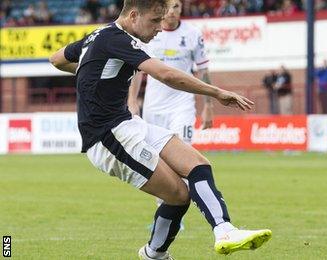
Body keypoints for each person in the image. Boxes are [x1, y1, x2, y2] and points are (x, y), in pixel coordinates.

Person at [48, 0, 271, 258]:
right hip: (108, 137)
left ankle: (224, 230)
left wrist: (93, 71)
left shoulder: (100, 36)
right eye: (155, 21)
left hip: (128, 124)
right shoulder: (117, 39)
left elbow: (56, 59)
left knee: (197, 164)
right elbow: (166, 75)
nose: (160, 28)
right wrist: (217, 92)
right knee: (178, 194)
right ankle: (155, 254)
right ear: (133, 15)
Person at [127, 0, 214, 233]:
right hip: (153, 108)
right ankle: (165, 213)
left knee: (183, 154)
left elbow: (203, 71)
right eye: (170, 6)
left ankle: (176, 216)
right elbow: (137, 70)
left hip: (182, 105)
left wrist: (208, 106)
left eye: (177, 6)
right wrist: (132, 100)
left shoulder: (193, 34)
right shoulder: (149, 34)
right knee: (158, 163)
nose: (173, 11)